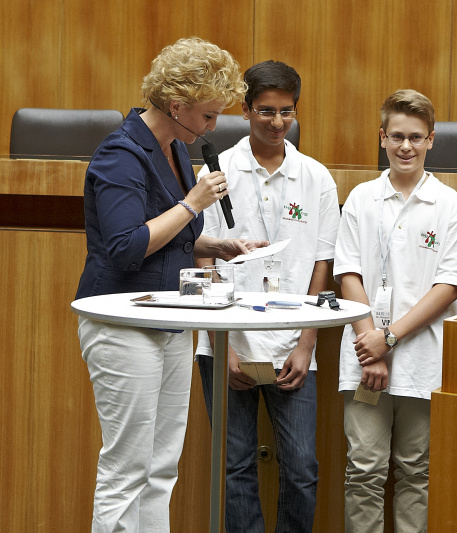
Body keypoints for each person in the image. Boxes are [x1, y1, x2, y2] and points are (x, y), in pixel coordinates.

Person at [75, 37, 256, 533]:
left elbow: (168, 233)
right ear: (177, 105)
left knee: (160, 468)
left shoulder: (175, 147)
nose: (213, 127)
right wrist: (193, 203)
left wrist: (214, 245)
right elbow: (125, 246)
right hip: (122, 323)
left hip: (171, 319)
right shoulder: (120, 153)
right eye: (208, 115)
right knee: (127, 468)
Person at [194, 60, 340, 533]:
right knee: (235, 467)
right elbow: (204, 258)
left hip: (292, 344)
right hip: (227, 343)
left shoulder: (316, 177)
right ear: (245, 109)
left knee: (301, 470)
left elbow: (322, 265)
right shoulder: (216, 172)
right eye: (266, 111)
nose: (278, 123)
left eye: (286, 112)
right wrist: (223, 345)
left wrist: (307, 343)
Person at [334, 89, 457, 532]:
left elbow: (448, 286)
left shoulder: (448, 203)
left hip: (421, 358)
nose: (406, 146)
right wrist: (371, 344)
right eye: (397, 136)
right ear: (382, 138)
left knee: (416, 469)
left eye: (415, 137)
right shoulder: (361, 198)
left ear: (431, 140)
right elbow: (348, 275)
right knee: (364, 470)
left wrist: (388, 338)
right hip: (364, 356)